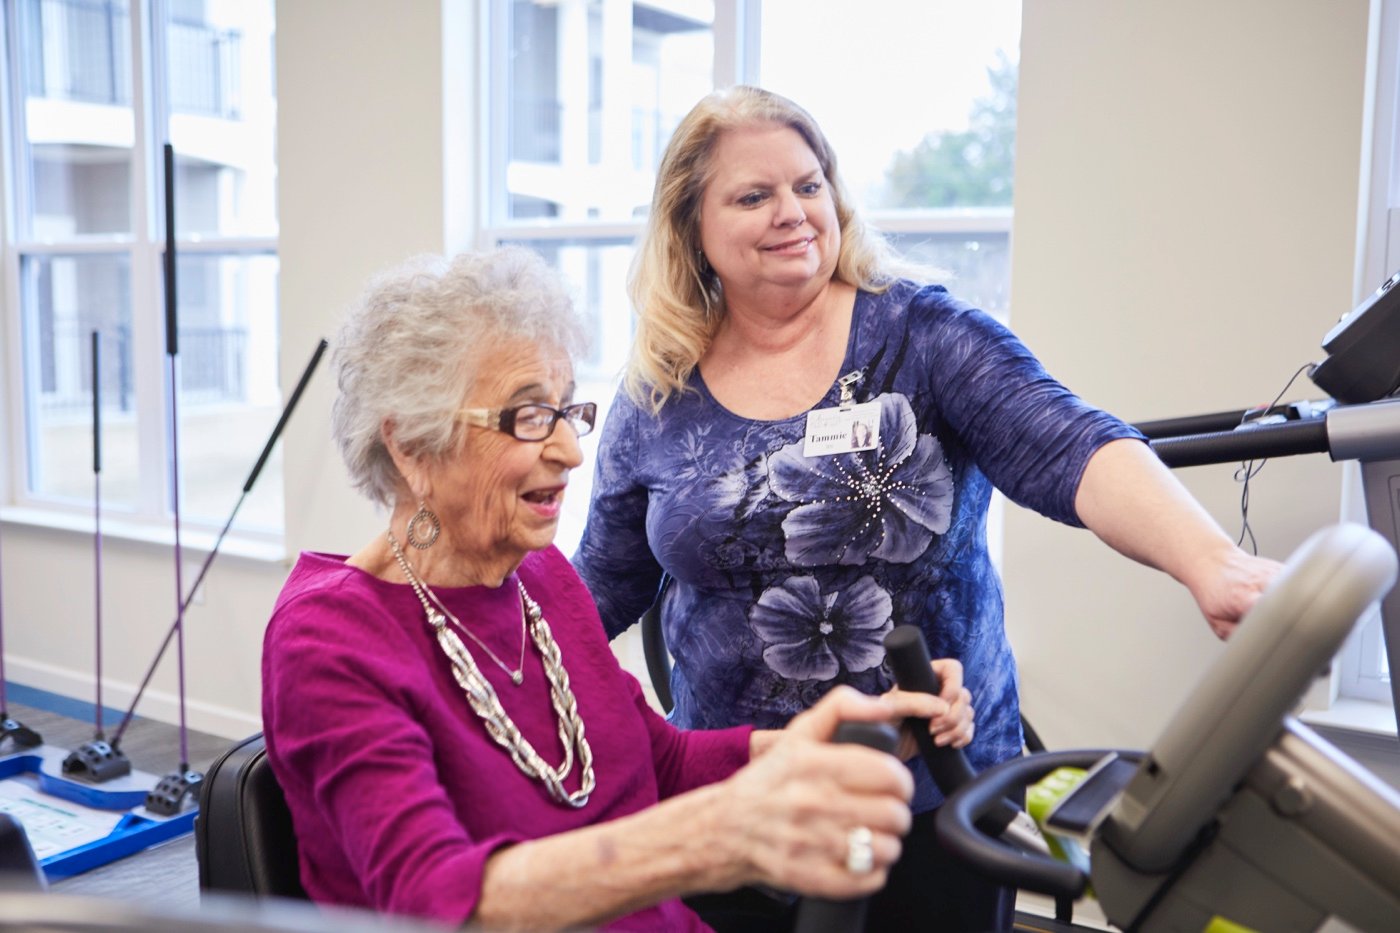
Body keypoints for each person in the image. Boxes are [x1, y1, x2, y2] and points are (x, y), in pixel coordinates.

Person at [572, 86, 1284, 932]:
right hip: (747, 801)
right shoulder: (661, 387)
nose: (793, 212)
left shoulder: (924, 334)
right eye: (753, 196)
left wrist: (1213, 562)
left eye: (808, 184)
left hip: (931, 793)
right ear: (692, 229)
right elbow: (598, 586)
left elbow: (1071, 445)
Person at [261, 246, 977, 932]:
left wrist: (824, 744)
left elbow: (655, 761)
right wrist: (724, 832)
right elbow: (434, 901)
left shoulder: (539, 578)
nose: (571, 451)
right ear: (412, 447)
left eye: (569, 411)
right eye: (527, 415)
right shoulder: (329, 640)